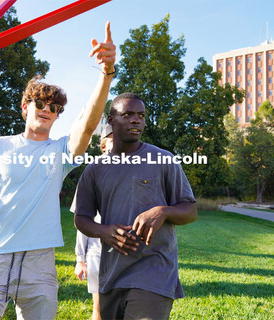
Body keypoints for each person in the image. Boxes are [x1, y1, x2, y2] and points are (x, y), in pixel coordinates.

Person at [0, 22, 116, 320]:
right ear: (25, 106)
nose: (47, 109)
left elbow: (88, 123)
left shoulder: (60, 151)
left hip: (40, 264)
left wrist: (106, 74)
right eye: (40, 102)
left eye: (54, 108)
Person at [73, 93, 198, 320]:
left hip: (154, 271)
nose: (136, 120)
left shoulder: (164, 160)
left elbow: (190, 210)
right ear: (111, 120)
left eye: (141, 115)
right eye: (127, 114)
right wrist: (103, 231)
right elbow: (81, 217)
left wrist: (163, 211)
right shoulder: (95, 169)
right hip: (111, 274)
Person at [73, 126, 113, 320]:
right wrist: (81, 259)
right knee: (99, 310)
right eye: (111, 140)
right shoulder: (92, 173)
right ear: (103, 146)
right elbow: (82, 222)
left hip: (127, 252)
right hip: (98, 253)